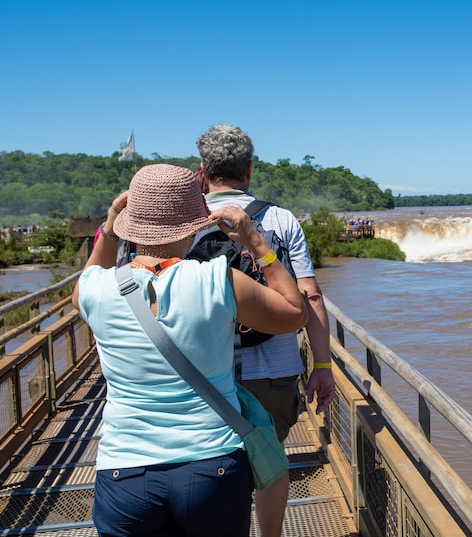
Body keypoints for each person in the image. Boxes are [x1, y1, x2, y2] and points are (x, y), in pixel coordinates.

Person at [73, 164, 308, 537]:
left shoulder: (94, 289)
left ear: (129, 224)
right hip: (211, 465)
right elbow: (295, 313)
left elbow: (90, 273)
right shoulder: (219, 280)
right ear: (196, 223)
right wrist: (256, 243)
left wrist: (110, 224)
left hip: (124, 471)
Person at [195, 124, 336, 537]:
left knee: (215, 465)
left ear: (204, 170)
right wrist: (322, 363)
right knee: (270, 461)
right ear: (250, 169)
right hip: (274, 369)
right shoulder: (279, 219)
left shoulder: (184, 221)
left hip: (206, 371)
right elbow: (309, 297)